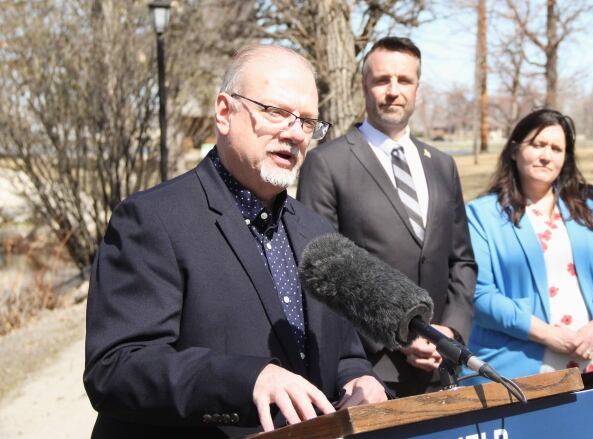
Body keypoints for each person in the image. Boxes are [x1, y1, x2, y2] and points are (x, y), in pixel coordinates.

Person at [83, 44, 386, 438]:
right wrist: (248, 381)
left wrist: (360, 380)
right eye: (276, 112)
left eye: (308, 122)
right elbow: (117, 368)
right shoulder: (153, 220)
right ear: (225, 112)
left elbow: (343, 351)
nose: (294, 133)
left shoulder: (319, 232)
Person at [297, 36, 477, 397]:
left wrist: (451, 332)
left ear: (417, 89)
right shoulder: (328, 164)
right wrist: (398, 334)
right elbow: (321, 273)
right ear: (364, 85)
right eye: (382, 80)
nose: (393, 91)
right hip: (371, 374)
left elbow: (462, 261)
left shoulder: (442, 165)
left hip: (442, 371)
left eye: (404, 80)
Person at [464, 109, 593, 438]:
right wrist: (551, 335)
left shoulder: (592, 205)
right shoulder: (482, 215)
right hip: (524, 373)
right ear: (516, 148)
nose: (546, 155)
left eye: (556, 148)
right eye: (537, 144)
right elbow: (481, 295)